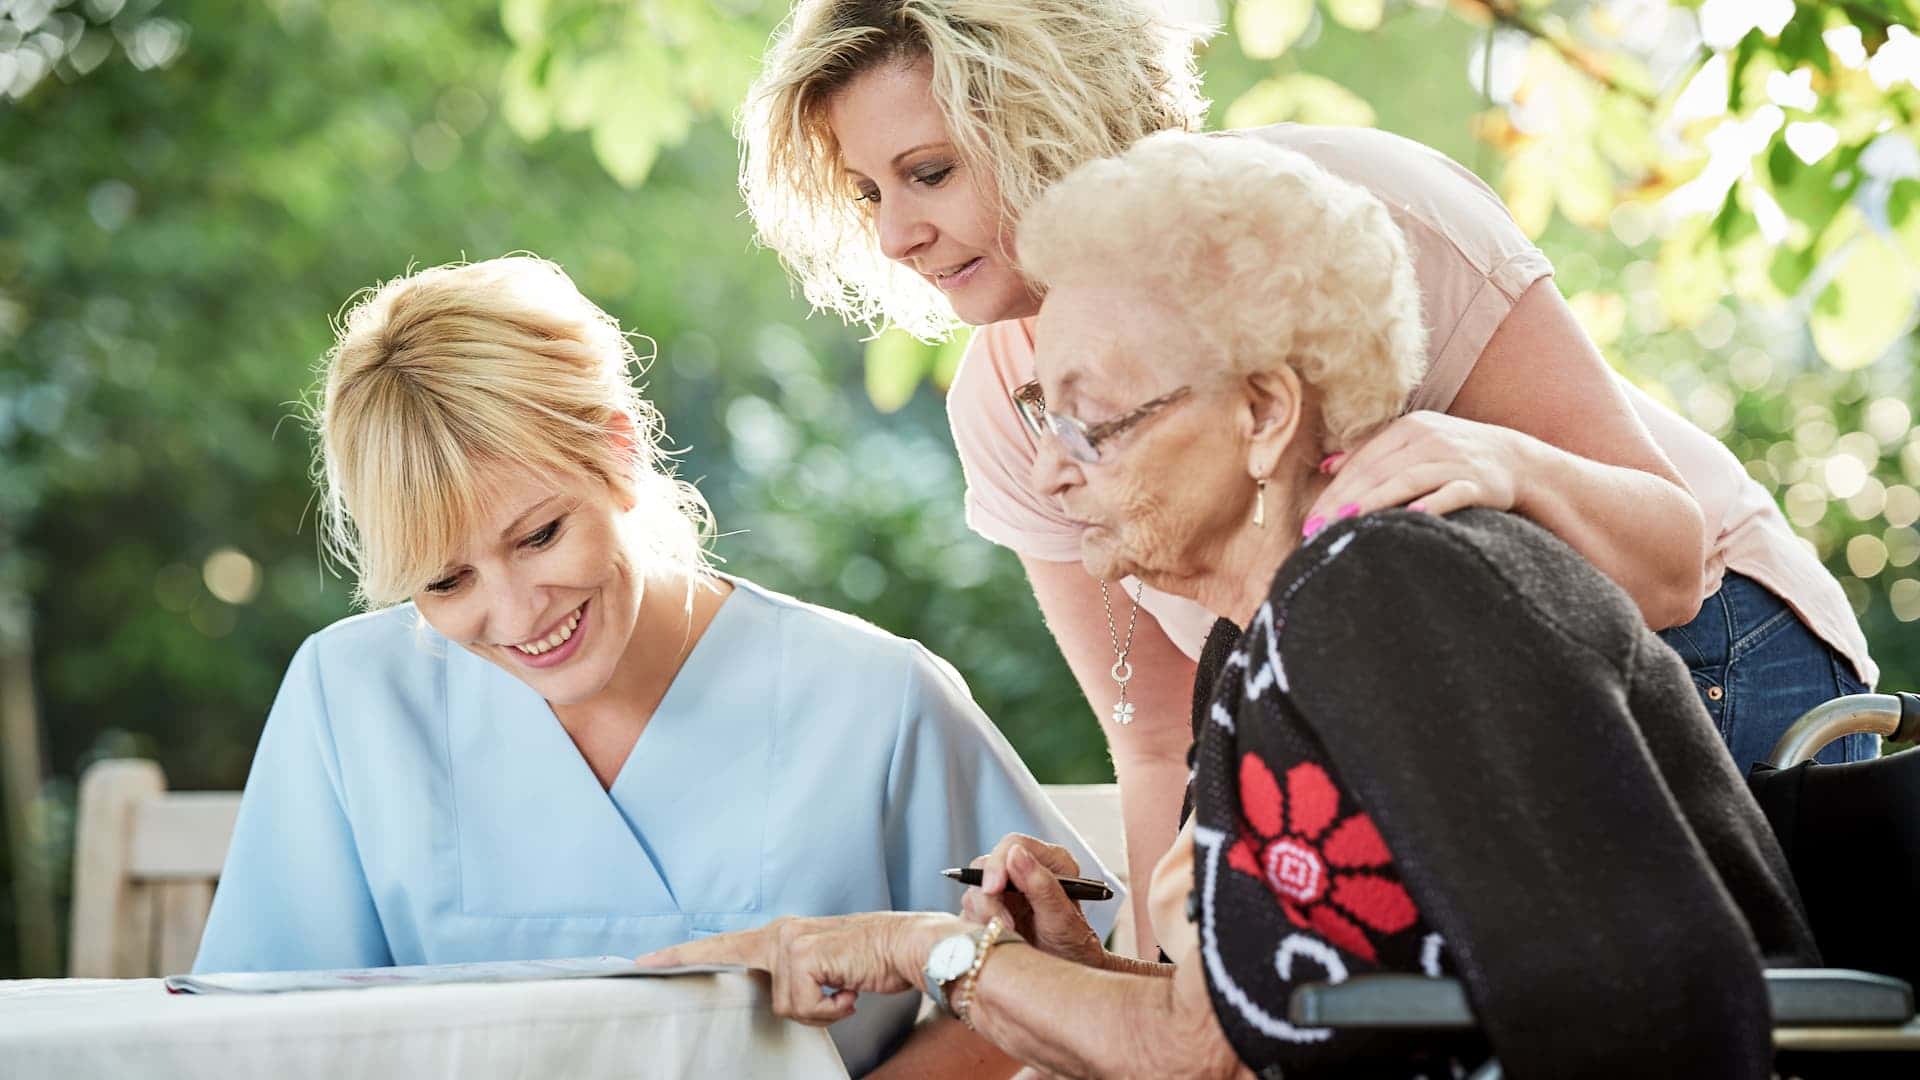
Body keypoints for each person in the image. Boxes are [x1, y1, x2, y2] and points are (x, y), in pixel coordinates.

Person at [647, 129, 1820, 1080]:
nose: (1052, 472)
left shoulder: (1381, 592)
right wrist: (1067, 973)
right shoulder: (1263, 648)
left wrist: (928, 949)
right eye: (1041, 421)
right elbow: (1270, 1016)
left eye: (1090, 422)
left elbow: (1202, 1058)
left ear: (1265, 414)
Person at [741, 0, 1875, 955]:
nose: (895, 236)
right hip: (1435, 723)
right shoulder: (1005, 401)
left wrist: (1504, 463)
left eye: (926, 173)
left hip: (1702, 653)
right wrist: (1170, 980)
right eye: (867, 194)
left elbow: (1670, 569)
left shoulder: (1349, 212)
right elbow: (1155, 737)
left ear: (1051, 116)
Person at [192, 255, 1118, 1079]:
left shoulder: (874, 698)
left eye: (541, 534)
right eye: (445, 580)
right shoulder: (349, 696)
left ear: (618, 449)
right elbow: (264, 1036)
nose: (516, 616)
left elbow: (1057, 980)